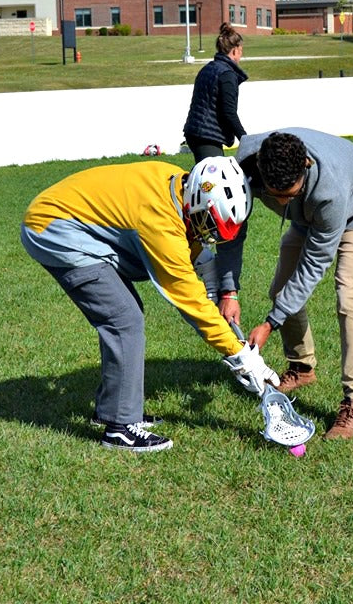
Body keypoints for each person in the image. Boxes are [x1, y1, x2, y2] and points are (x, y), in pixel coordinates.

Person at [20, 157, 279, 453]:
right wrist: (241, 356)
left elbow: (194, 249)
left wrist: (218, 289)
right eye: (210, 223)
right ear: (197, 199)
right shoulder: (159, 221)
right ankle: (119, 428)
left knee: (125, 316)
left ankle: (114, 410)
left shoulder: (179, 184)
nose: (210, 233)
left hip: (68, 220)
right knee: (124, 320)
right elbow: (190, 300)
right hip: (52, 230)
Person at [215, 129, 353, 440]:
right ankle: (302, 367)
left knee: (349, 297)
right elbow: (231, 228)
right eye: (276, 194)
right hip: (308, 216)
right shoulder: (245, 167)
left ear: (305, 166)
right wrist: (229, 290)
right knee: (282, 289)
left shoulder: (329, 190)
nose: (282, 201)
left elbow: (313, 266)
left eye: (291, 194)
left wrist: (271, 322)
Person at [183, 23, 248, 163]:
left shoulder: (208, 68)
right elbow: (228, 112)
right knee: (213, 180)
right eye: (241, 51)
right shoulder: (227, 75)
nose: (241, 55)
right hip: (206, 136)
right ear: (235, 51)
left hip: (195, 131)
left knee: (208, 176)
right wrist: (245, 138)